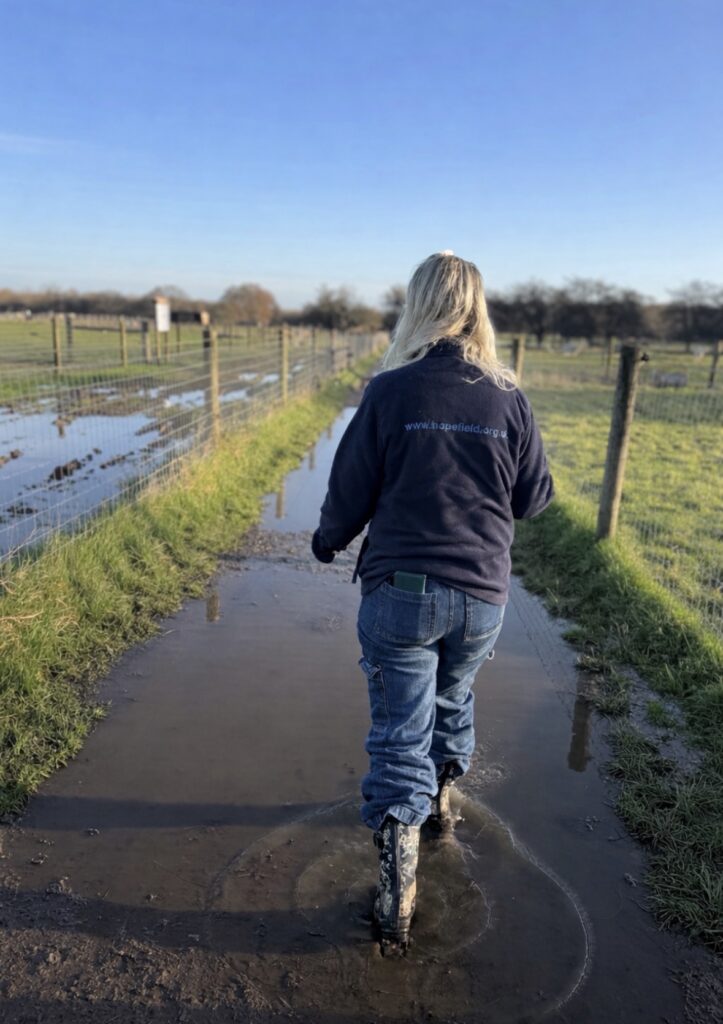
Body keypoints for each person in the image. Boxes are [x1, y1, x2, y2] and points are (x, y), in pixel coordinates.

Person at [311, 252, 554, 954]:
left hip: (401, 595)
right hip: (481, 595)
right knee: (454, 698)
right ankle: (442, 808)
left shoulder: (389, 392)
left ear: (417, 306)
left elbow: (349, 490)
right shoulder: (508, 398)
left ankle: (396, 897)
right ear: (478, 308)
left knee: (397, 735)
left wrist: (328, 540)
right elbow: (533, 498)